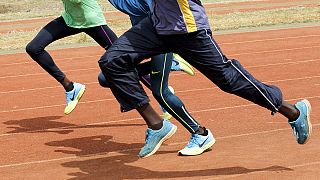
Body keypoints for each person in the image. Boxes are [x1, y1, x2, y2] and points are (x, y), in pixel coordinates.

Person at [98, 0, 312, 158]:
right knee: (112, 61)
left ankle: (292, 111)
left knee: (228, 80)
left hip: (188, 30)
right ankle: (156, 125)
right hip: (157, 26)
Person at [25, 0, 194, 116]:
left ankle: (166, 77)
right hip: (70, 19)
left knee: (121, 63)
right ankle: (71, 87)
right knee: (33, 48)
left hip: (93, 22)